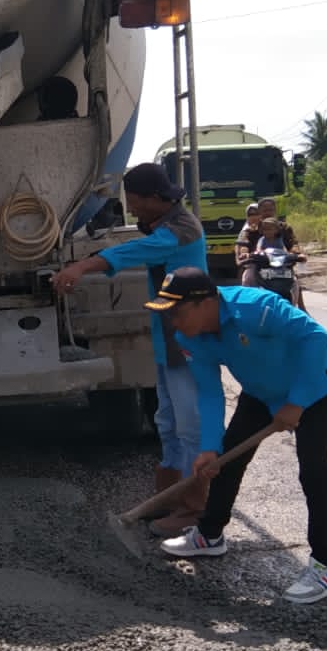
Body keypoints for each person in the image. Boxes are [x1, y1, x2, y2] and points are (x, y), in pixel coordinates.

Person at [143, 267, 327, 604]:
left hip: (311, 386)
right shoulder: (189, 338)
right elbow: (209, 393)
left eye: (176, 312)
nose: (172, 322)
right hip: (261, 392)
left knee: (314, 473)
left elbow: (316, 337)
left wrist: (296, 402)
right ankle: (209, 535)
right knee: (225, 459)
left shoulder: (255, 308)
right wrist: (209, 448)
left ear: (205, 303)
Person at [52, 164, 208, 534]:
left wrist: (82, 266)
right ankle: (168, 499)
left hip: (189, 343)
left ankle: (196, 511)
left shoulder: (181, 229)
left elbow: (138, 249)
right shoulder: (164, 224)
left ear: (155, 198)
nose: (132, 208)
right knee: (167, 423)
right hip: (169, 341)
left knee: (190, 426)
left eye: (135, 201)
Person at [235, 202, 263, 287]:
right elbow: (242, 245)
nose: (254, 217)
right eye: (250, 214)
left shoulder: (269, 227)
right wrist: (243, 254)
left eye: (257, 214)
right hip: (253, 262)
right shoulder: (246, 231)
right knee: (247, 279)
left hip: (272, 261)